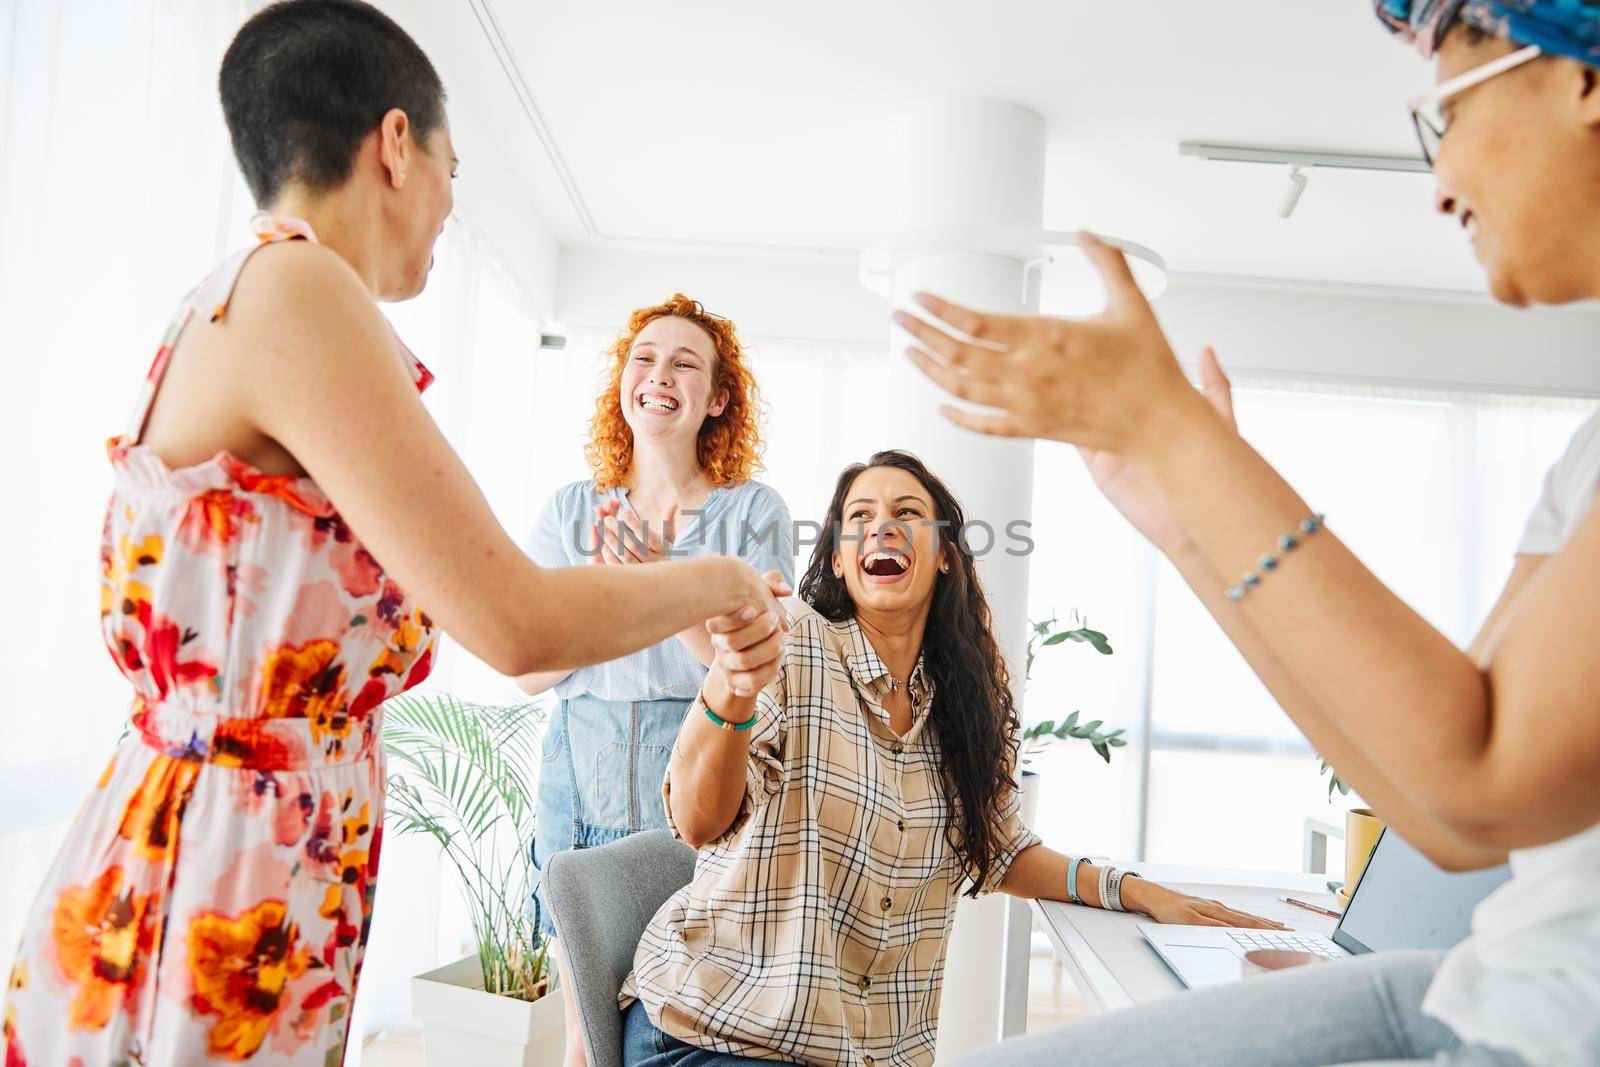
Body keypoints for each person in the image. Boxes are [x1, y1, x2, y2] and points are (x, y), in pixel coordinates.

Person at [0, 3, 781, 1064]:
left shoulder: (265, 295)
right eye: (454, 166)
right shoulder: (300, 288)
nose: (453, 200)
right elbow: (517, 623)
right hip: (225, 872)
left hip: (248, 850)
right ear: (397, 144)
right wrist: (721, 577)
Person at [900, 6, 1600, 1066]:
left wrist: (1180, 436)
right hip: (1485, 985)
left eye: (1440, 114)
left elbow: (1476, 779)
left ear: (1583, 78)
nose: (1441, 182)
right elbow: (1448, 812)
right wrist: (1190, 524)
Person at [619, 450, 1284, 1067]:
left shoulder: (962, 701)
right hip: (722, 1033)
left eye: (907, 513)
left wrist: (1137, 890)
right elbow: (700, 821)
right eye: (860, 517)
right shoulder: (792, 641)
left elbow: (999, 847)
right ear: (841, 560)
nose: (883, 527)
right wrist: (730, 688)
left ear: (942, 554)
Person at [517, 293, 794, 1067]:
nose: (658, 374)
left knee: (675, 1023)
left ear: (717, 397)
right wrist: (609, 586)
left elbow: (750, 664)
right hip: (581, 768)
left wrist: (655, 581)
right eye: (643, 357)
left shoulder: (751, 511)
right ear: (623, 384)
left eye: (684, 362)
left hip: (701, 771)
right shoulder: (572, 511)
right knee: (587, 1042)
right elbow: (528, 672)